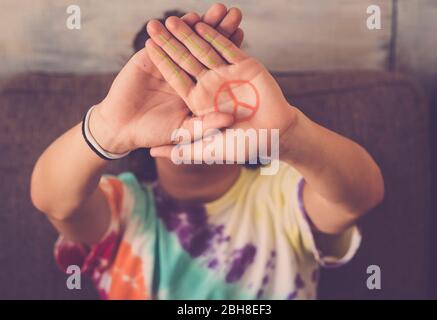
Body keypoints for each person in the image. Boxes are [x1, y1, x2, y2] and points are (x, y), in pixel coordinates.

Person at [30, 3, 384, 299]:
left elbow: (359, 197)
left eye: (205, 80)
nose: (189, 102)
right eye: (171, 84)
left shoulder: (282, 195)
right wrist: (107, 128)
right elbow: (54, 200)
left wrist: (290, 134)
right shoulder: (125, 207)